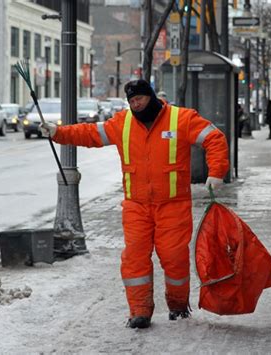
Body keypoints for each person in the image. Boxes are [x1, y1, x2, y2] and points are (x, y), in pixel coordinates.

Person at [40, 79, 229, 329]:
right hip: (136, 206)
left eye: (139, 98)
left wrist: (216, 172)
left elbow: (214, 138)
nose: (135, 104)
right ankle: (139, 310)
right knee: (135, 259)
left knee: (175, 259)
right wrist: (58, 132)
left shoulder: (180, 119)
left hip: (173, 206)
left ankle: (177, 305)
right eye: (131, 101)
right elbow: (90, 134)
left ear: (151, 97)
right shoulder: (123, 123)